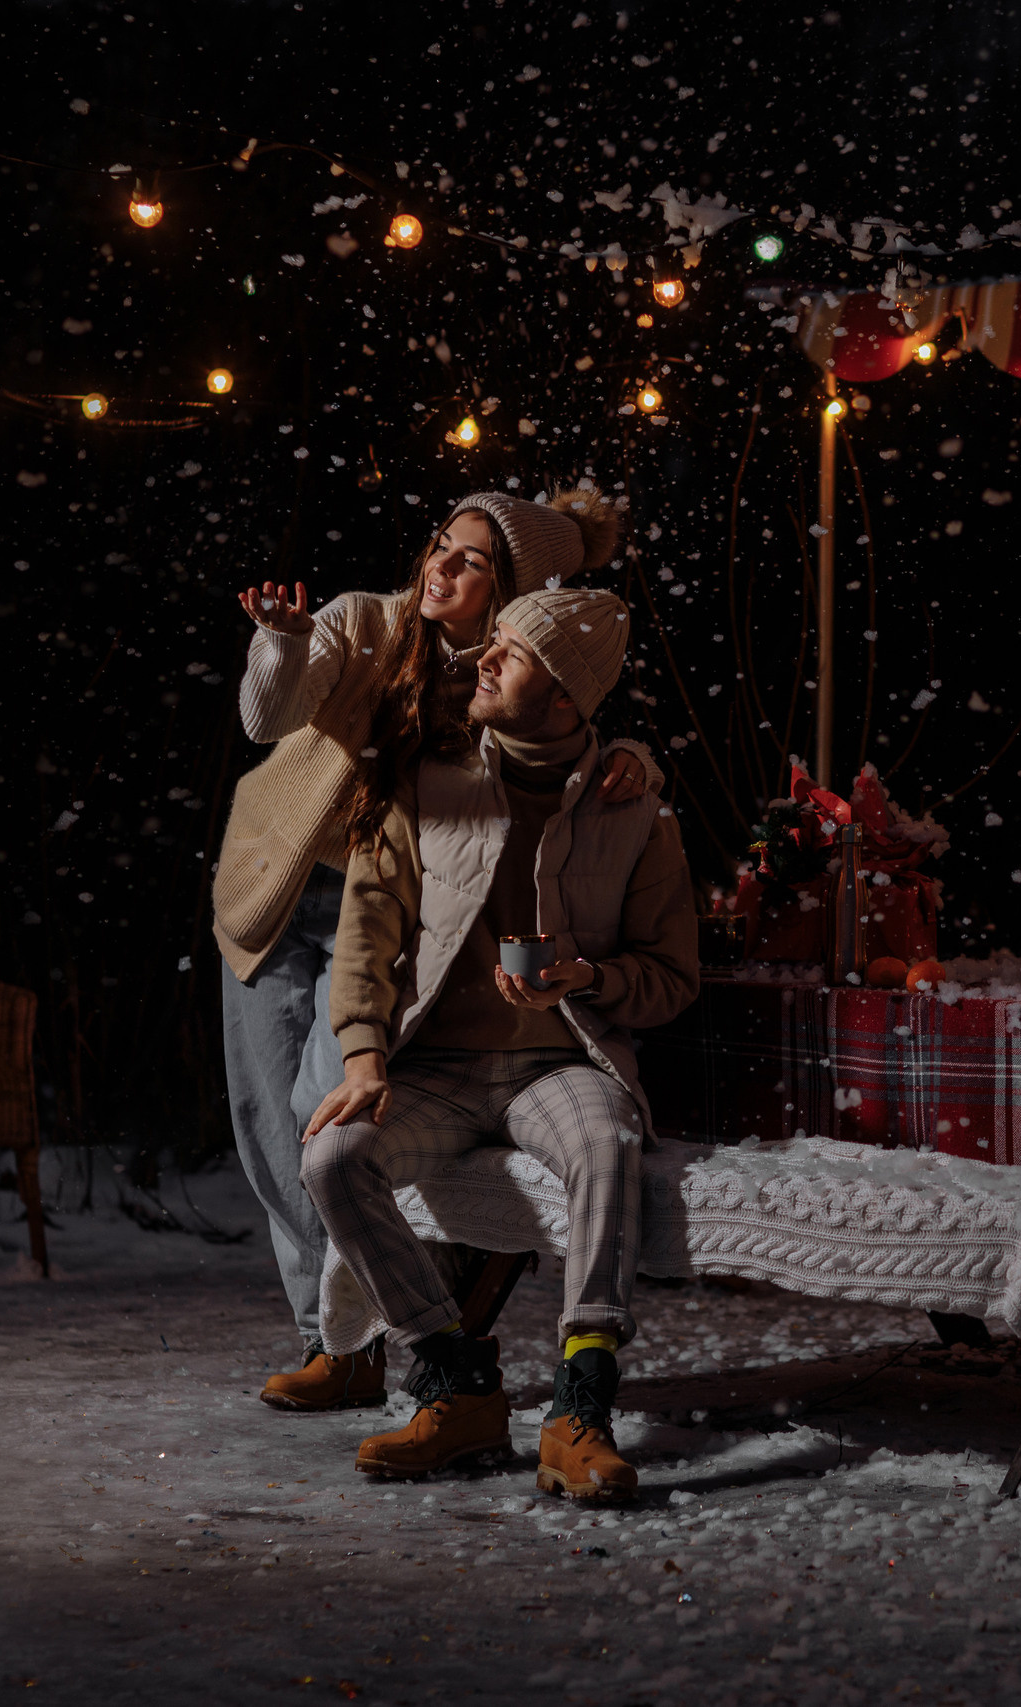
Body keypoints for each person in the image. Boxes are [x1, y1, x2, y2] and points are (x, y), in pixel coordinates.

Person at [214, 488, 656, 1414]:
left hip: (391, 912)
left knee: (322, 1112)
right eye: (440, 549)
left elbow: (567, 744)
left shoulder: (509, 673)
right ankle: (328, 1340)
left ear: (515, 595)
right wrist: (282, 642)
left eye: (471, 563)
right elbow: (266, 715)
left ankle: (366, 1334)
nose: (440, 570)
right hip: (279, 891)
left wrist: (638, 761)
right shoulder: (365, 624)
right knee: (265, 1131)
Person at [300, 584, 698, 1501]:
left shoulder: (634, 810)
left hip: (556, 1062)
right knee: (332, 1157)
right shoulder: (427, 780)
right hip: (435, 1068)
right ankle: (457, 1383)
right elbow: (366, 927)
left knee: (607, 1141)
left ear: (563, 696)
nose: (483, 657)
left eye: (511, 654)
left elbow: (672, 976)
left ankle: (581, 1407)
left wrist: (586, 977)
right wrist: (363, 1054)